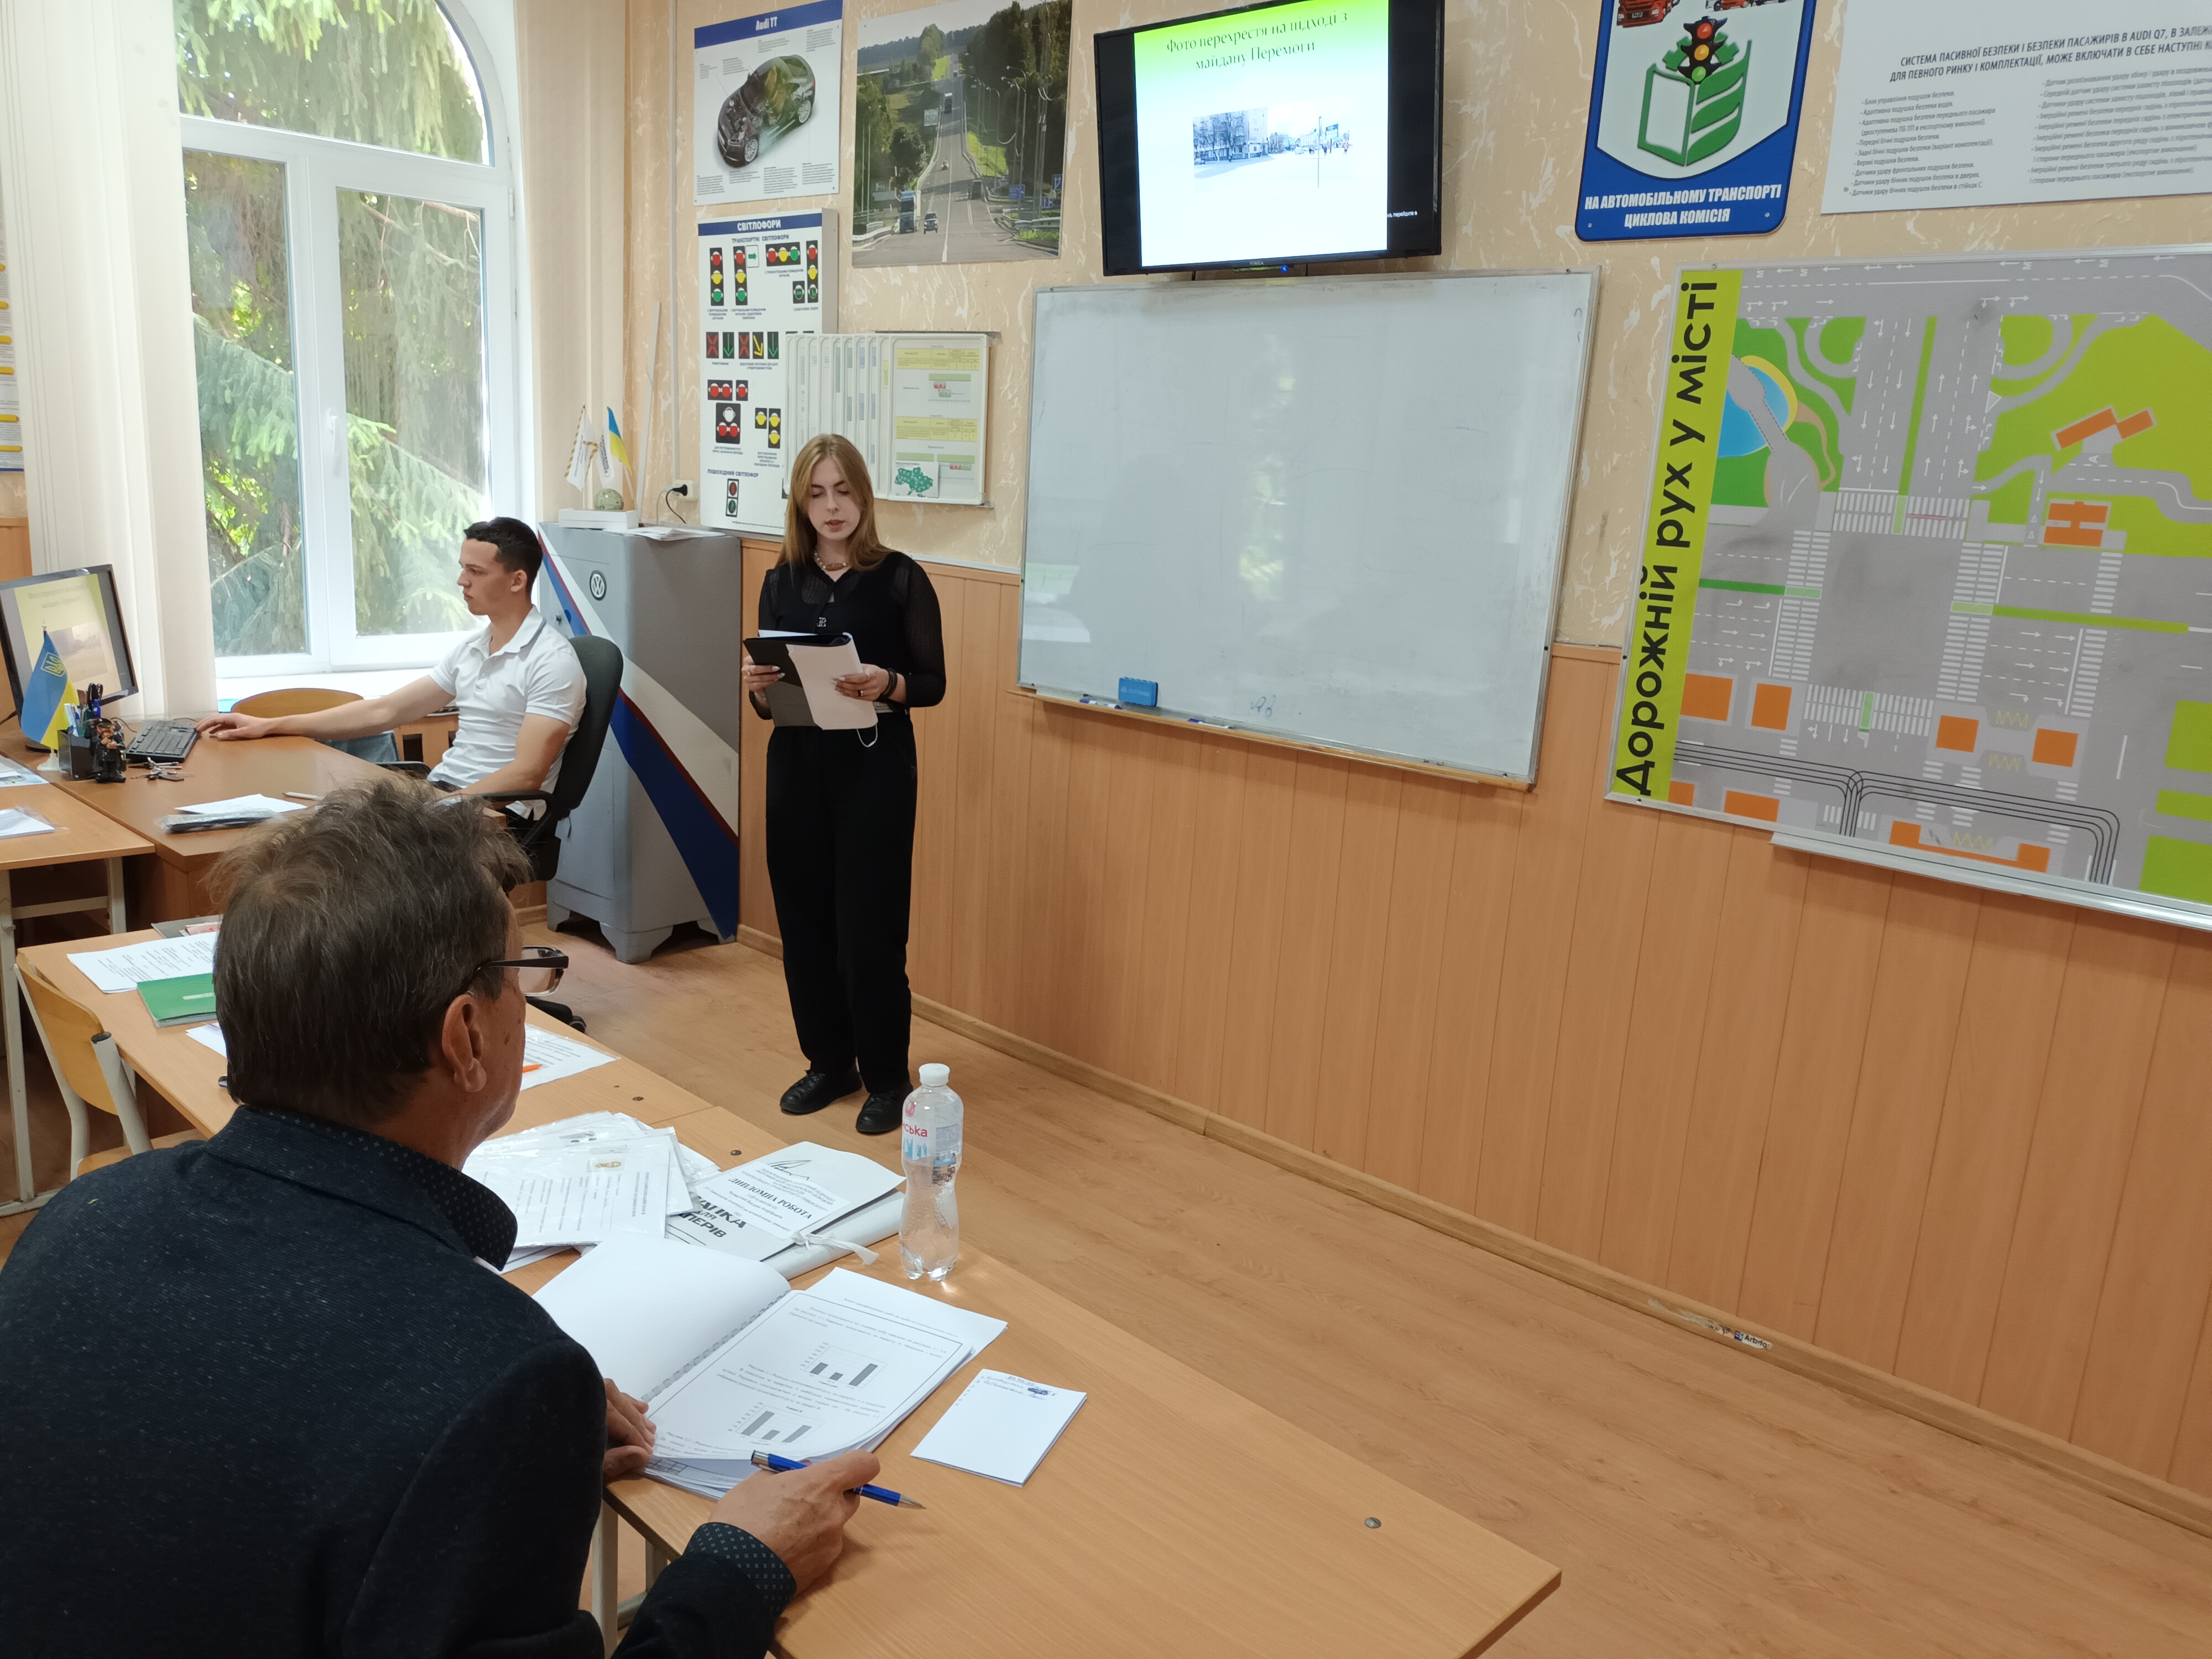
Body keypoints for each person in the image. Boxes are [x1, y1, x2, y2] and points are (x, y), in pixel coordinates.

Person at [0, 779, 877, 1656]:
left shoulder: (79, 1220)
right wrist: (742, 1566)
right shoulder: (491, 1379)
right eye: (521, 974)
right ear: (466, 1037)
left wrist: (505, 1463)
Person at [741, 435, 944, 1136]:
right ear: (801, 503)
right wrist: (757, 688)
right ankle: (830, 1063)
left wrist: (887, 682)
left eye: (844, 491)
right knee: (804, 924)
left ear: (864, 495)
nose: (832, 507)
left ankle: (887, 1079)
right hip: (797, 765)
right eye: (818, 493)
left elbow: (932, 683)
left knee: (869, 930)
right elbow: (767, 705)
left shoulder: (900, 578)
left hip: (874, 765)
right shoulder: (781, 581)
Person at [196, 518, 586, 815]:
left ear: (517, 581)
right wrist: (268, 725)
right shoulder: (472, 649)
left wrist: (437, 808)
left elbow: (527, 774)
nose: (461, 581)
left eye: (476, 572)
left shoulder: (551, 662)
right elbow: (384, 711)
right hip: (446, 794)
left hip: (497, 812)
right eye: (462, 568)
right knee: (326, 819)